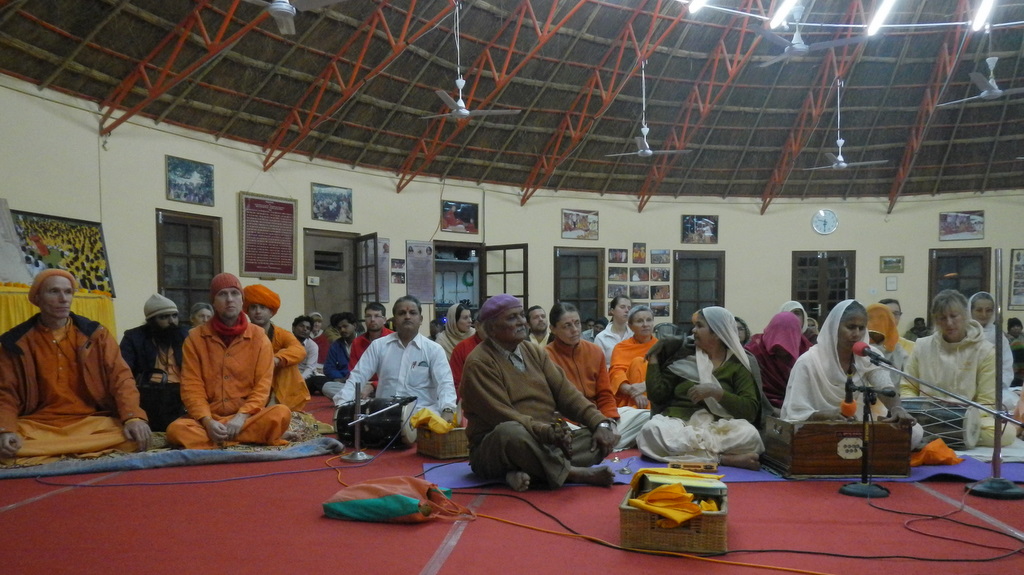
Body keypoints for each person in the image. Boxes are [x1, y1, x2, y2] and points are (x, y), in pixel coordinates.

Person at [461, 294, 618, 491]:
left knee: (596, 437)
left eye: (521, 315)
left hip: (545, 442)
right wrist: (547, 433)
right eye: (512, 318)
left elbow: (567, 394)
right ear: (491, 328)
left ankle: (524, 471)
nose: (522, 322)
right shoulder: (479, 362)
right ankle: (572, 473)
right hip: (501, 445)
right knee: (510, 432)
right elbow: (503, 416)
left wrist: (600, 423)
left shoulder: (533, 351)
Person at [0, 270, 151, 465]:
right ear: (37, 298)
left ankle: (47, 452)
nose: (63, 299)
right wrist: (6, 429)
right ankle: (79, 449)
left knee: (130, 436)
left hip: (89, 422)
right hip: (38, 425)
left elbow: (121, 378)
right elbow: (6, 392)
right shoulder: (16, 342)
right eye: (54, 291)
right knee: (8, 442)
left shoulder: (97, 335)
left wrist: (132, 417)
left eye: (68, 292)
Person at [166, 273, 292, 449]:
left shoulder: (259, 337)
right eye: (222, 294)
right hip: (210, 418)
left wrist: (241, 417)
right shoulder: (195, 338)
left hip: (246, 417)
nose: (230, 299)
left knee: (281, 413)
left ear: (242, 300)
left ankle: (220, 440)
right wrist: (207, 421)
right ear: (213, 302)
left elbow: (262, 387)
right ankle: (253, 436)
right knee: (176, 431)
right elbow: (192, 387)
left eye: (234, 293)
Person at [638, 306, 764, 469]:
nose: (693, 330)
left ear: (717, 333)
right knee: (651, 432)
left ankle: (693, 456)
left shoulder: (737, 365)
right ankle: (724, 459)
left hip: (719, 427)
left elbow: (750, 411)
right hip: (680, 424)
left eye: (699, 326)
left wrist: (717, 392)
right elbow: (657, 395)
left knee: (749, 435)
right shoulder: (684, 357)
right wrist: (654, 358)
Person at [903, 290, 1015, 447]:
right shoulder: (922, 346)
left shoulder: (985, 351)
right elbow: (907, 387)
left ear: (966, 315)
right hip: (926, 417)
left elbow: (987, 401)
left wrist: (958, 418)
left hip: (967, 419)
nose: (949, 323)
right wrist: (919, 411)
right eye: (942, 318)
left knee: (1005, 433)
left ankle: (933, 436)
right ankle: (948, 436)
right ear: (935, 320)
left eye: (954, 316)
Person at [782, 300, 913, 429]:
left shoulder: (868, 355)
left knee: (914, 431)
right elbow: (796, 412)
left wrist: (897, 408)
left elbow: (885, 386)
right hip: (815, 428)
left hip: (855, 424)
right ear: (835, 327)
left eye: (861, 328)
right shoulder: (809, 361)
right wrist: (826, 415)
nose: (856, 334)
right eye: (850, 327)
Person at [332, 296, 457, 418]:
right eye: (402, 313)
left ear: (421, 319)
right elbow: (358, 376)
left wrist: (448, 408)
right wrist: (341, 404)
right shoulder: (379, 346)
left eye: (412, 313)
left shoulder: (434, 350)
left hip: (422, 415)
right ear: (394, 320)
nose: (407, 316)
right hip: (384, 415)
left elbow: (445, 383)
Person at [546, 303, 648, 449]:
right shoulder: (545, 357)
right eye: (567, 326)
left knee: (647, 417)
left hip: (600, 415)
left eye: (577, 323)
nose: (575, 330)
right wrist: (597, 423)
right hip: (571, 421)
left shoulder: (594, 351)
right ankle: (600, 444)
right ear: (553, 329)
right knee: (560, 433)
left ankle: (596, 445)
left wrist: (609, 422)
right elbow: (553, 404)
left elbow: (605, 394)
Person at [119, 293, 190, 431]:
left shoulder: (186, 335)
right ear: (151, 320)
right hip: (150, 394)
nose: (172, 321)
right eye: (164, 317)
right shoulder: (134, 337)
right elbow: (123, 373)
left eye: (174, 316)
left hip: (183, 392)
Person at [243, 284, 309, 412]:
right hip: (250, 382)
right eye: (253, 307)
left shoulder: (281, 334)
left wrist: (276, 360)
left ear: (271, 312)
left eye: (262, 307)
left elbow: (299, 350)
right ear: (248, 312)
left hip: (276, 386)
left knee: (286, 359)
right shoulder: (241, 333)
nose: (258, 311)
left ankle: (274, 403)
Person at [745, 311, 809, 412]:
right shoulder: (754, 352)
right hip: (761, 409)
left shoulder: (807, 353)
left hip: (801, 409)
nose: (780, 347)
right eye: (775, 344)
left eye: (787, 344)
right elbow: (748, 393)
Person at [608, 305, 658, 409]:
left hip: (654, 395)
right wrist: (633, 391)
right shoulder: (621, 347)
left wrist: (646, 385)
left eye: (649, 320)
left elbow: (666, 375)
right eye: (639, 321)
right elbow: (616, 374)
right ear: (630, 326)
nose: (645, 324)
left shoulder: (661, 346)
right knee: (638, 362)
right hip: (628, 397)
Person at [968, 292, 1014, 399]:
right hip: (965, 388)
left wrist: (993, 385)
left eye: (988, 310)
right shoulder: (962, 332)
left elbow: (1006, 365)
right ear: (970, 310)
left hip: (993, 388)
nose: (984, 314)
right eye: (979, 310)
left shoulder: (998, 335)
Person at [865, 303, 910, 387]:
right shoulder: (857, 348)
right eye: (871, 318)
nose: (876, 322)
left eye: (881, 317)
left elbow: (908, 384)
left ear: (890, 322)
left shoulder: (899, 352)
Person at [321, 312, 358, 400]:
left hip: (362, 381)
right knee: (327, 387)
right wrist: (342, 378)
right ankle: (358, 398)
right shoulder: (335, 345)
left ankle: (352, 398)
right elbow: (328, 368)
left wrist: (349, 377)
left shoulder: (364, 342)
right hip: (344, 382)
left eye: (345, 326)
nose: (342, 330)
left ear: (354, 325)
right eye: (339, 328)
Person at [349, 302, 393, 372]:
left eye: (377, 316)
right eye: (368, 316)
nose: (372, 319)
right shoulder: (357, 342)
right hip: (363, 378)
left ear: (384, 320)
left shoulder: (393, 339)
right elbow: (353, 370)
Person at [595, 296, 632, 367]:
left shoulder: (635, 334)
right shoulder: (601, 338)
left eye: (629, 308)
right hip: (610, 373)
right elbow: (598, 366)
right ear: (612, 311)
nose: (627, 310)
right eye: (622, 307)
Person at [291, 315, 319, 382]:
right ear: (293, 328)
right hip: (288, 376)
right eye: (301, 326)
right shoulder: (286, 341)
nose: (305, 329)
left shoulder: (312, 346)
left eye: (308, 328)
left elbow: (310, 369)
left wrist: (298, 381)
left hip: (305, 378)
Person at [1008, 318, 1024, 388]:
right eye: (1013, 326)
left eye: (1018, 326)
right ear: (1009, 329)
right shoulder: (1005, 339)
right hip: (1012, 371)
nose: (1016, 328)